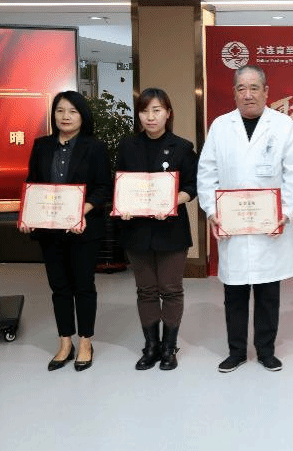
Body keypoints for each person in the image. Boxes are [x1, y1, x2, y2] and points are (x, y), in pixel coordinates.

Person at [197, 65, 293, 373]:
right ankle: (236, 351)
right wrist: (212, 211)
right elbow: (207, 172)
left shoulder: (283, 126)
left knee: (268, 292)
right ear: (234, 92)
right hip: (232, 224)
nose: (248, 94)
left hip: (271, 225)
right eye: (241, 88)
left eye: (254, 88)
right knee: (235, 291)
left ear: (266, 92)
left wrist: (285, 212)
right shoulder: (221, 126)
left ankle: (266, 351)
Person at [21, 90, 112, 371]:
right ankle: (64, 342)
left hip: (83, 229)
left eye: (72, 111)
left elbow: (103, 188)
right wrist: (29, 214)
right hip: (50, 231)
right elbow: (33, 184)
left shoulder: (95, 147)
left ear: (82, 116)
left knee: (83, 285)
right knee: (59, 287)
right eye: (60, 110)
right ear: (54, 114)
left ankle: (85, 342)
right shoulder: (41, 145)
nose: (65, 116)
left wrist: (79, 211)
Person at [116, 88, 198, 371]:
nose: (150, 117)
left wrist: (172, 200)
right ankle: (151, 346)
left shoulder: (182, 147)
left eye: (156, 110)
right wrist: (123, 204)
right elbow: (120, 183)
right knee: (146, 290)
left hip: (171, 230)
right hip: (136, 229)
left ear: (168, 113)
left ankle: (169, 347)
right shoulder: (127, 146)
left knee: (171, 289)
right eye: (144, 111)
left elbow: (192, 187)